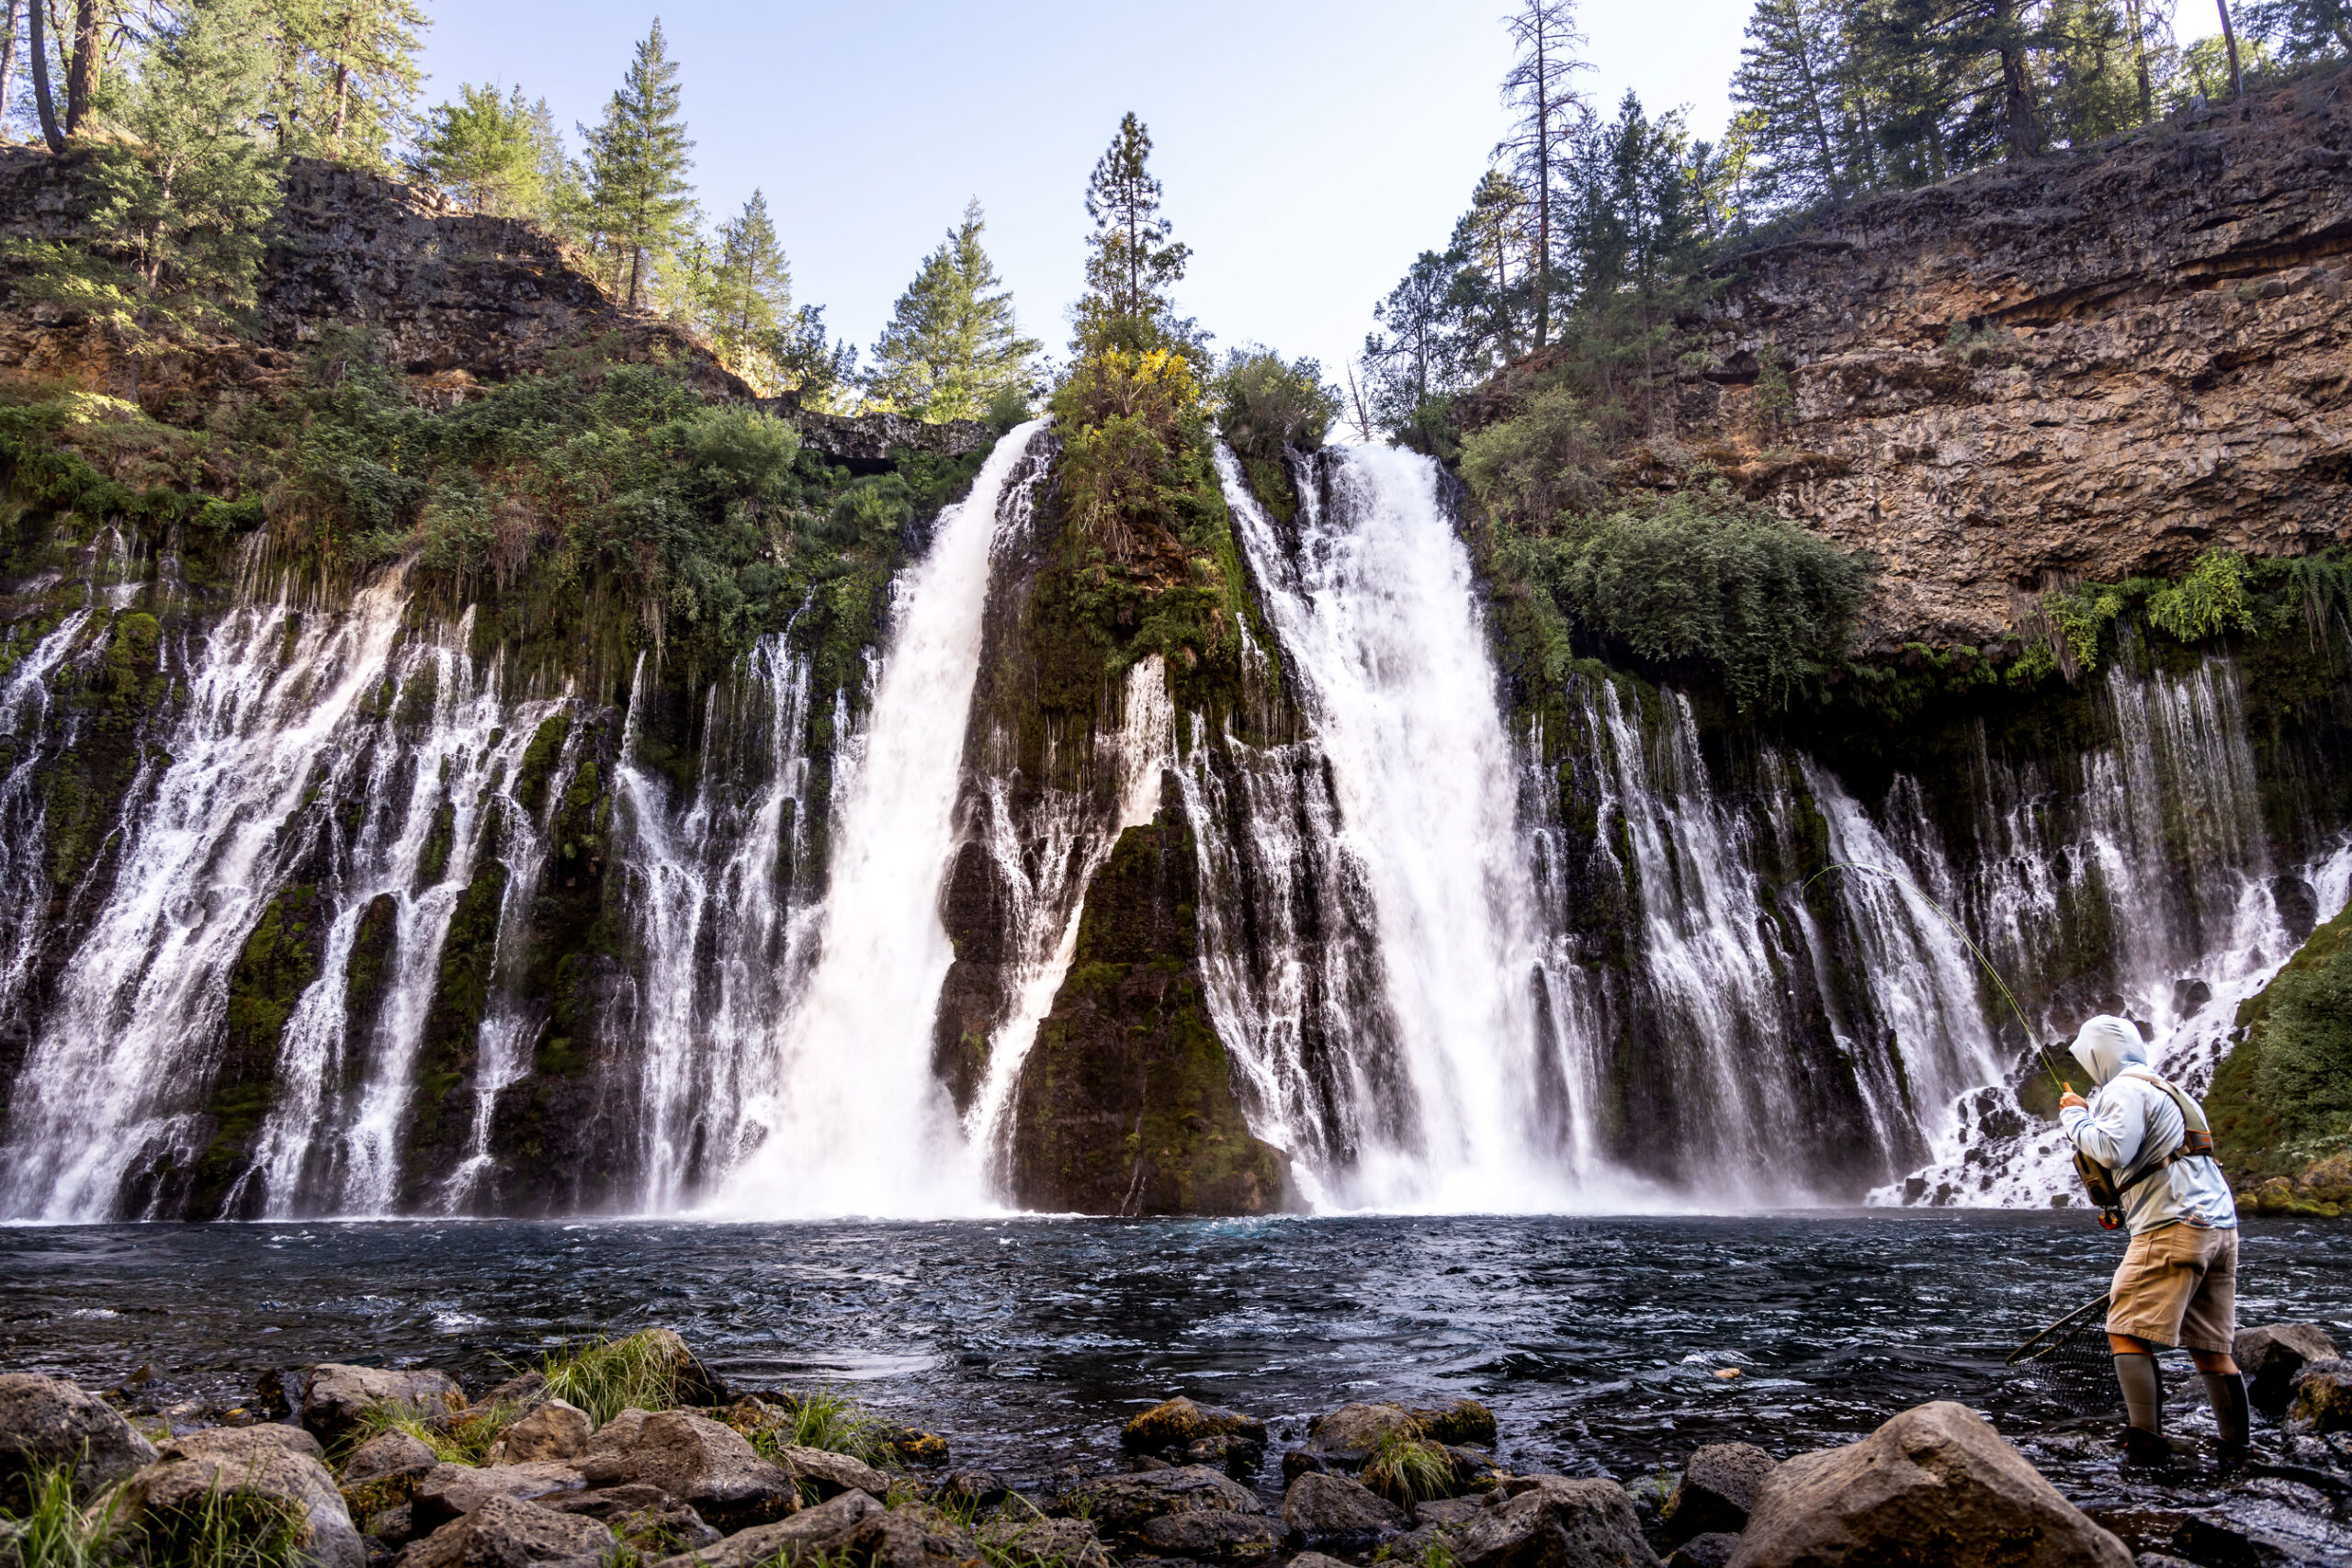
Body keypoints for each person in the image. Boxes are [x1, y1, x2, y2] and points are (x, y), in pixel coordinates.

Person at [2057, 1014, 2249, 1468]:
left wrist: (2074, 1115)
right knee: (2212, 1348)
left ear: (2098, 1054)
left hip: (2172, 1224)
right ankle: (2238, 1450)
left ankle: (2145, 1445)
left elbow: (2111, 1150)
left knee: (2124, 1330)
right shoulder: (2175, 1091)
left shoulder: (2122, 1089)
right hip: (2220, 1229)